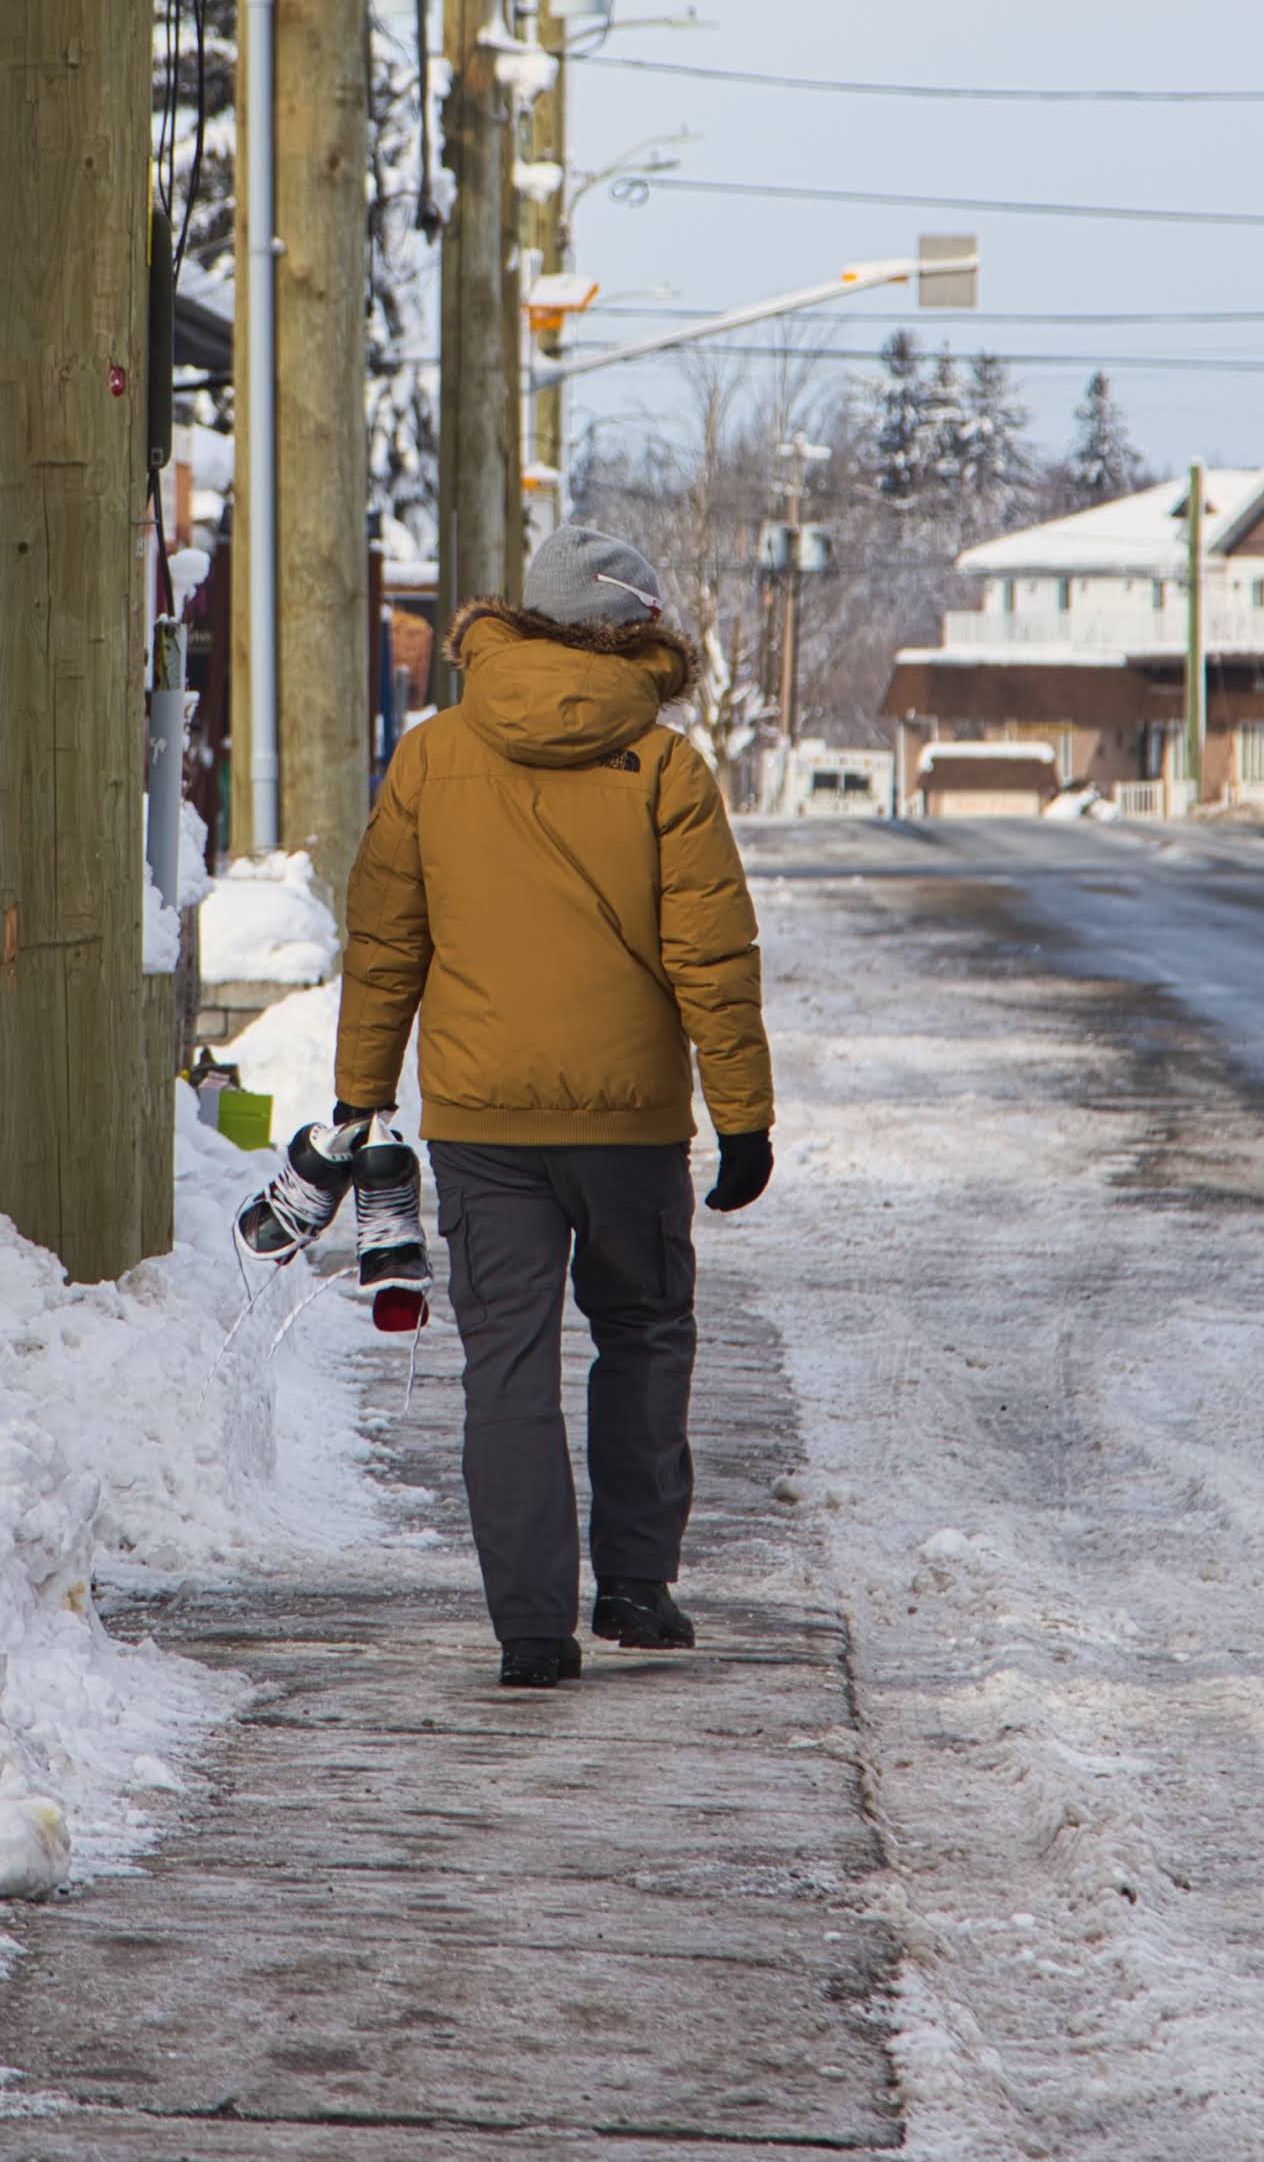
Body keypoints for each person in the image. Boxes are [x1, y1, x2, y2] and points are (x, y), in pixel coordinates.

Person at [331, 521, 775, 1689]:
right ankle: (635, 1582)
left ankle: (533, 1629)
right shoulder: (667, 767)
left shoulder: (433, 756)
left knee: (508, 1366)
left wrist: (358, 1096)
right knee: (641, 1329)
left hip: (481, 1125)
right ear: (633, 627)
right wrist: (743, 1114)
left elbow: (386, 941)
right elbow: (712, 959)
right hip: (628, 1126)